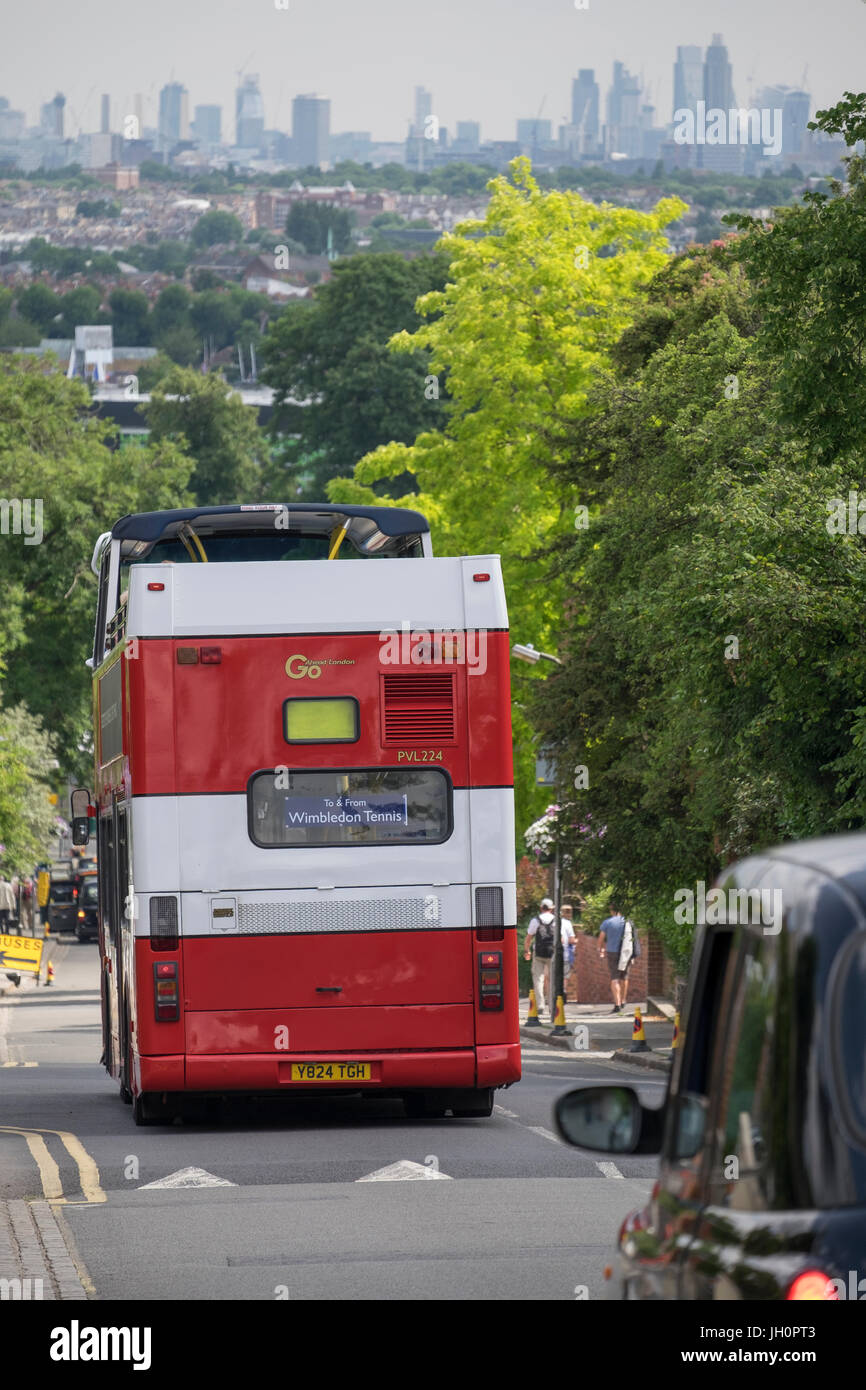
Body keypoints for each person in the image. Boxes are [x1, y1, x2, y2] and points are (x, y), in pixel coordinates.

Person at [598, 902, 640, 1014]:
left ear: (611, 910)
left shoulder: (607, 922)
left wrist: (600, 949)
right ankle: (623, 1000)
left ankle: (616, 1004)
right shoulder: (628, 922)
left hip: (612, 952)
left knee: (614, 978)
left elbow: (601, 938)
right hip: (626, 952)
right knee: (625, 977)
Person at [524, 897, 556, 1021]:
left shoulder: (535, 920)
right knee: (552, 979)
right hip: (552, 953)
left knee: (538, 979)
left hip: (539, 953)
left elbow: (528, 938)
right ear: (552, 909)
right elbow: (562, 939)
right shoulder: (556, 921)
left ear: (541, 908)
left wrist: (527, 951)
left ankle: (540, 1005)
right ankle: (552, 1006)